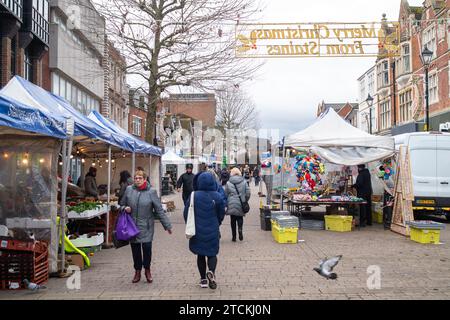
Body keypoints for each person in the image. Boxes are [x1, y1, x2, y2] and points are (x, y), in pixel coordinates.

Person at [120, 170, 173, 283]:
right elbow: (121, 204)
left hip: (147, 226)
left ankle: (147, 270)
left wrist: (167, 225)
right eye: (136, 178)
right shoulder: (129, 190)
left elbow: (159, 210)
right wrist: (125, 208)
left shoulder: (151, 192)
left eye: (140, 178)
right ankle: (137, 271)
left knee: (147, 249)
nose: (137, 180)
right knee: (135, 250)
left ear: (145, 179)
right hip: (132, 226)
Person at [183, 172, 225, 289]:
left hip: (198, 230)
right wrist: (218, 223)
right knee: (212, 253)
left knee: (200, 254)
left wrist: (189, 224)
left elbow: (186, 212)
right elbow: (221, 213)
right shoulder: (217, 196)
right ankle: (211, 271)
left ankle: (203, 280)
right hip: (213, 228)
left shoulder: (194, 195)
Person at [225, 168, 251, 242]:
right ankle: (240, 229)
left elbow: (225, 194)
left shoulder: (228, 183)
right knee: (240, 218)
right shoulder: (244, 182)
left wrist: (227, 202)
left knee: (232, 220)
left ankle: (234, 237)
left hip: (231, 203)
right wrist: (245, 200)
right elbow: (248, 193)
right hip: (240, 202)